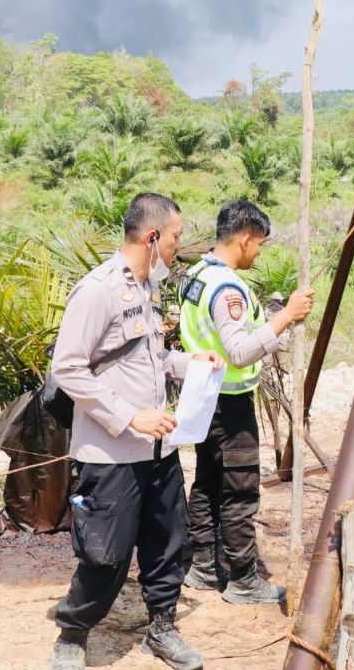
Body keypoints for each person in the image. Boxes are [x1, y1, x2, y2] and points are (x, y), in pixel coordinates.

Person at [49, 193, 224, 670]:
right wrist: (129, 416)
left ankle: (161, 629)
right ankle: (73, 634)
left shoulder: (148, 289)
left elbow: (152, 358)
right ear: (151, 238)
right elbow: (68, 368)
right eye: (174, 238)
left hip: (158, 448)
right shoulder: (98, 290)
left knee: (168, 543)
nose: (177, 247)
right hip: (110, 452)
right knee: (105, 555)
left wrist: (191, 363)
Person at [178, 200, 315, 603]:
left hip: (205, 396)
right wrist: (286, 317)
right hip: (229, 401)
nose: (259, 253)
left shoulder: (197, 272)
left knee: (207, 482)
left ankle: (203, 566)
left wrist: (271, 314)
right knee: (240, 489)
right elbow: (238, 351)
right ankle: (242, 579)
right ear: (245, 238)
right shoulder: (226, 287)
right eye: (261, 245)